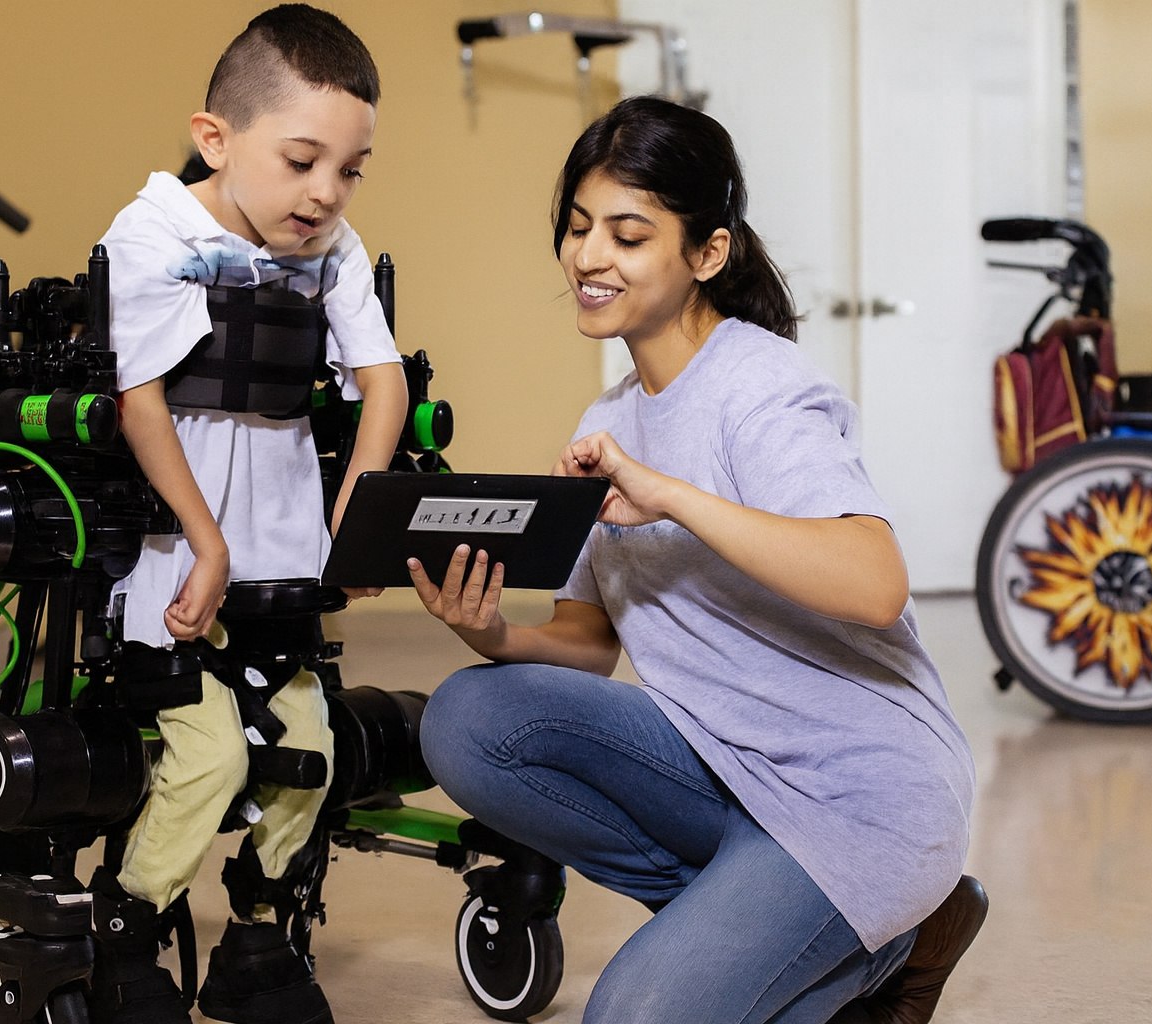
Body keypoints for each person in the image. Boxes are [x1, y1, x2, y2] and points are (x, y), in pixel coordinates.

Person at [409, 95, 987, 1024]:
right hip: (720, 766)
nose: (589, 257)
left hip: (855, 798)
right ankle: (779, 935)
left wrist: (674, 496)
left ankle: (891, 940)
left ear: (707, 254)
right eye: (579, 228)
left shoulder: (762, 387)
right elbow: (586, 643)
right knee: (469, 719)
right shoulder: (607, 420)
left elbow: (875, 583)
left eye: (629, 235)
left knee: (632, 1019)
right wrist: (491, 632)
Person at [95, 7, 407, 1024]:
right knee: (211, 757)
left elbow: (384, 382)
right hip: (173, 551)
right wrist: (206, 542)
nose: (326, 193)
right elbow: (140, 399)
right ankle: (126, 934)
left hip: (281, 553)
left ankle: (260, 941)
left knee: (307, 751)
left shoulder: (334, 246)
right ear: (216, 138)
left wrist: (357, 514)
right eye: (303, 161)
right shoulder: (152, 232)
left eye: (350, 170)